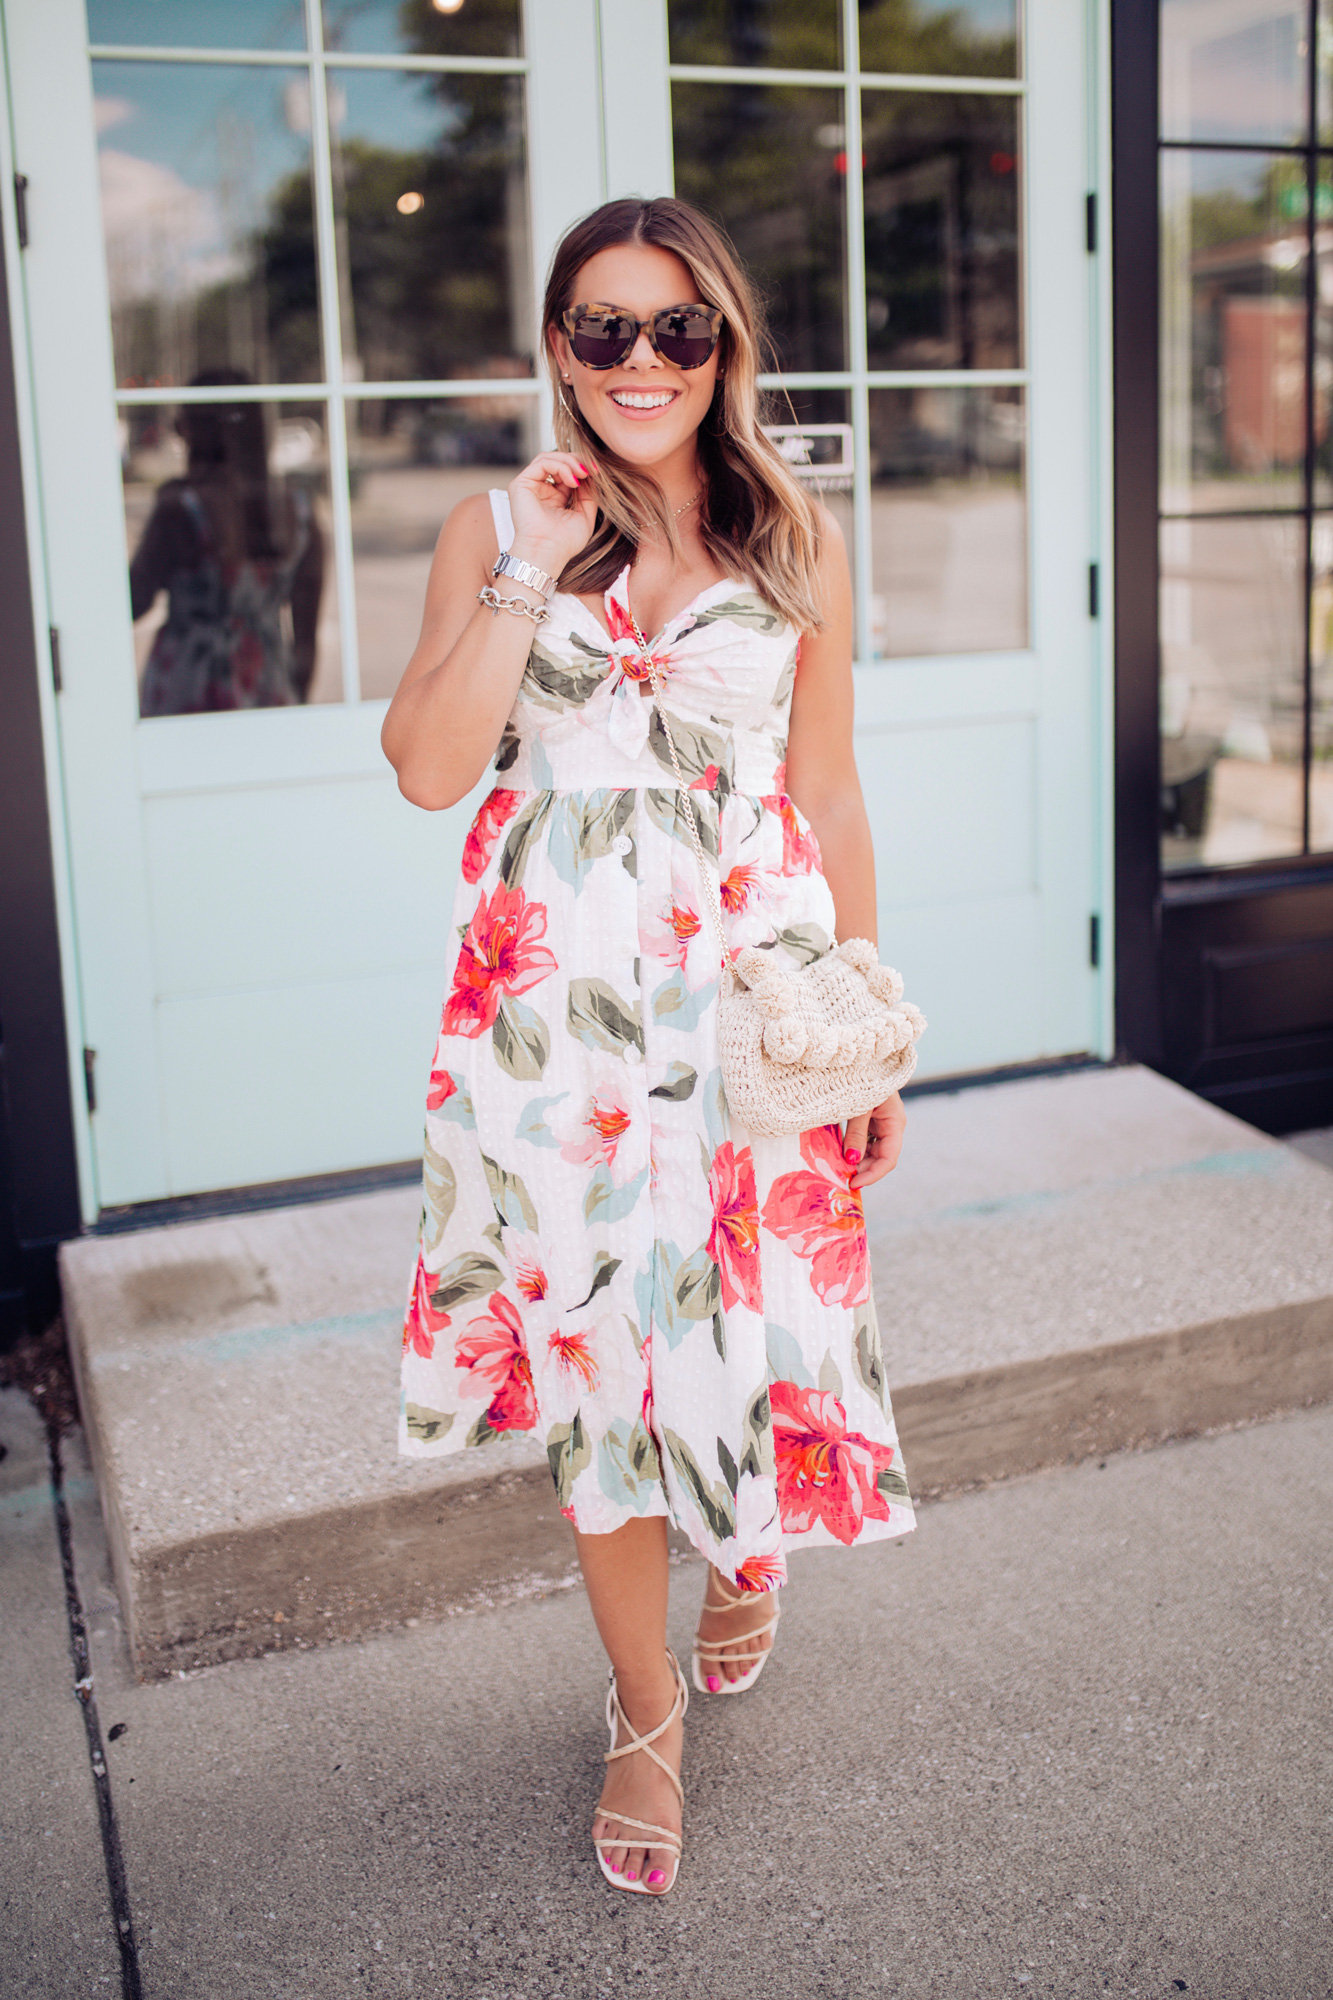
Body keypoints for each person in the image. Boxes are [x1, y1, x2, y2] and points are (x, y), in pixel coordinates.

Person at [383, 196, 914, 1897]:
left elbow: (823, 790)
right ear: (557, 348)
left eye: (675, 328)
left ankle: (746, 1556)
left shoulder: (789, 536)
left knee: (759, 1319)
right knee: (596, 1357)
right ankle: (639, 1708)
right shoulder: (488, 529)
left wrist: (861, 1027)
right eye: (601, 328)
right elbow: (424, 763)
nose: (639, 360)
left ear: (720, 346)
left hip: (747, 994)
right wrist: (531, 572)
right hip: (558, 1025)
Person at [130, 369, 324, 715]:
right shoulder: (299, 509)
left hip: (187, 689)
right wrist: (295, 707)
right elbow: (306, 645)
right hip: (268, 686)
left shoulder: (181, 507)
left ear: (192, 430)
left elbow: (132, 601)